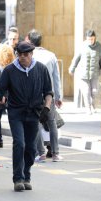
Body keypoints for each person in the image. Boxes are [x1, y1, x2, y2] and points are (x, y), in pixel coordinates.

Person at [0, 41, 53, 192]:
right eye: (20, 55)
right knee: (19, 143)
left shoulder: (41, 69)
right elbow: (0, 90)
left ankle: (27, 175)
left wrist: (46, 108)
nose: (23, 57)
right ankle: (18, 179)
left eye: (26, 55)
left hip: (34, 113)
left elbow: (48, 91)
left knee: (31, 148)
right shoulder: (9, 70)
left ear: (32, 54)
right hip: (16, 113)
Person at [26, 29, 63, 162]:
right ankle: (55, 153)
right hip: (49, 95)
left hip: (33, 95)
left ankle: (40, 153)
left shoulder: (27, 55)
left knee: (36, 123)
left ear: (29, 40)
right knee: (52, 123)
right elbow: (56, 78)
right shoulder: (51, 55)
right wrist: (58, 97)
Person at [69, 30, 101, 114]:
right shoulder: (82, 46)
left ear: (95, 38)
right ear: (86, 38)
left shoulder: (100, 47)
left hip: (95, 74)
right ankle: (88, 108)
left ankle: (92, 105)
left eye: (92, 39)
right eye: (89, 39)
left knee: (94, 91)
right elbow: (76, 58)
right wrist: (72, 69)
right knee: (86, 91)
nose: (91, 41)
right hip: (83, 74)